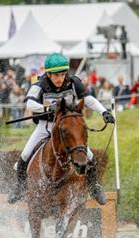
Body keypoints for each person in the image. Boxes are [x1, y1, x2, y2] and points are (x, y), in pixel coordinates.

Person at [7, 52, 115, 206]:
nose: (60, 79)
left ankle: (94, 186)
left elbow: (88, 99)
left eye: (63, 74)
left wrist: (104, 112)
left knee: (89, 156)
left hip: (66, 126)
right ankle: (20, 187)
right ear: (48, 74)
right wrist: (49, 107)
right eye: (56, 75)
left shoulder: (73, 81)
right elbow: (29, 104)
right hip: (46, 126)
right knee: (25, 154)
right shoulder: (39, 85)